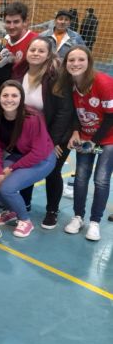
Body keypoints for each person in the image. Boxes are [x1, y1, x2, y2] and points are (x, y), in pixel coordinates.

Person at [11, 36, 75, 229]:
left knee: (53, 171)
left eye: (41, 51)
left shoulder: (56, 78)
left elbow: (64, 112)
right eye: (33, 50)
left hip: (56, 135)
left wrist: (52, 142)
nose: (35, 54)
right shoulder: (18, 74)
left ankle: (52, 210)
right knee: (27, 167)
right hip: (30, 134)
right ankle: (26, 204)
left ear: (49, 55)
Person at [56, 46, 113, 241]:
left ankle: (95, 222)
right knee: (81, 177)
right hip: (85, 135)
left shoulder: (103, 82)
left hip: (108, 137)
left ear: (89, 62)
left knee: (101, 179)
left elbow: (110, 116)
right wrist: (75, 132)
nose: (76, 64)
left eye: (81, 59)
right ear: (66, 64)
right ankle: (78, 217)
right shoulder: (69, 83)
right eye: (71, 60)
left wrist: (94, 143)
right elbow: (72, 111)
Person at [0, 80, 56, 238]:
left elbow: (38, 153)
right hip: (19, 155)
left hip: (42, 159)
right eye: (5, 95)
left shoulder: (33, 118)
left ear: (21, 98)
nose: (9, 99)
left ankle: (25, 220)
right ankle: (12, 211)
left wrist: (9, 169)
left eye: (14, 95)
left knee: (6, 187)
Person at [1, 2, 38, 66]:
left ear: (25, 22)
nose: (11, 26)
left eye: (16, 22)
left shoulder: (36, 40)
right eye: (8, 22)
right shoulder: (5, 39)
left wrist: (16, 61)